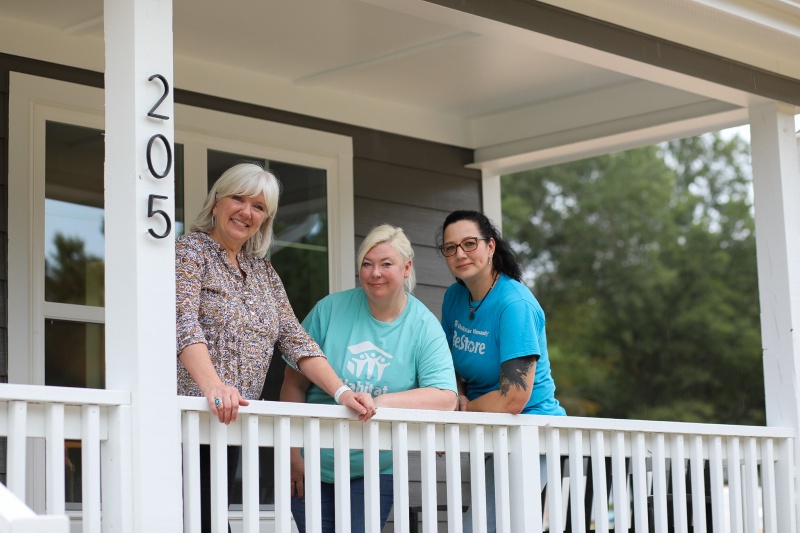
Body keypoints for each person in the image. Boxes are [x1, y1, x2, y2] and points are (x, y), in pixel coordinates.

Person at [175, 162, 376, 533]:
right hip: (187, 417)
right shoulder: (191, 251)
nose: (246, 212)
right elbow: (182, 322)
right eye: (238, 198)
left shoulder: (263, 271)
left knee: (214, 519)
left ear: (265, 219)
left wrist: (342, 391)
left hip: (229, 423)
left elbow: (295, 338)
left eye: (258, 206)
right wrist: (213, 386)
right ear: (217, 201)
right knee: (195, 520)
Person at [281, 224, 458, 533]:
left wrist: (381, 402)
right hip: (312, 462)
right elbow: (294, 382)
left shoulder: (423, 326)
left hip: (375, 468)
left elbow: (445, 397)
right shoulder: (329, 310)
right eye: (367, 264)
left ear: (406, 268)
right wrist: (292, 455)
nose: (375, 272)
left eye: (386, 264)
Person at [437, 210, 566, 533]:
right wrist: (456, 398)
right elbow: (448, 365)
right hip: (486, 430)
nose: (460, 254)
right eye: (450, 248)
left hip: (530, 431)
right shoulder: (454, 297)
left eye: (469, 243)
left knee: (480, 526)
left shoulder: (515, 305)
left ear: (491, 246)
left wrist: (460, 409)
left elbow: (514, 398)